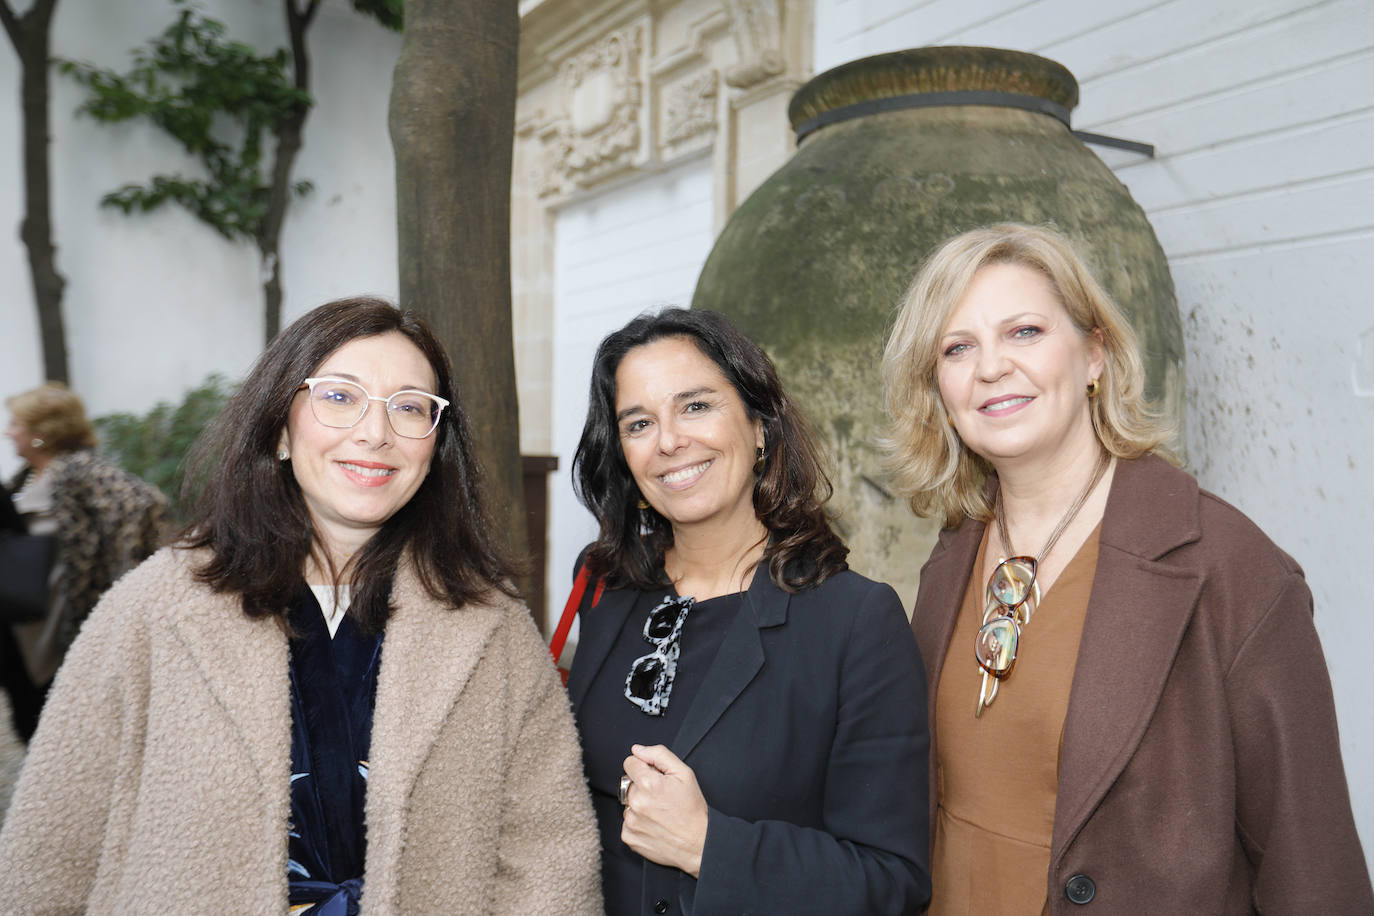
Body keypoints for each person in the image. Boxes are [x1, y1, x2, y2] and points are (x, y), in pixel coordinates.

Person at [0, 298, 602, 913]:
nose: (376, 432)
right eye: (339, 397)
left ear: (435, 445)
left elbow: (547, 852)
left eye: (409, 407)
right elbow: (52, 849)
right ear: (281, 429)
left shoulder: (488, 623)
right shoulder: (155, 610)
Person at [880, 223, 1373, 914]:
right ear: (939, 386)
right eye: (958, 347)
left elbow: (1312, 868)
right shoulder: (954, 551)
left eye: (1024, 332)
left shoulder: (1232, 570)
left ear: (1094, 354)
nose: (991, 367)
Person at [566, 307, 931, 915]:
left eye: (696, 406)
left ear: (760, 426)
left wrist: (711, 848)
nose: (669, 441)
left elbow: (893, 882)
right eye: (638, 423)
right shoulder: (607, 592)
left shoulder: (856, 622)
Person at [2, 382, 167, 742]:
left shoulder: (78, 471)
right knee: (31, 722)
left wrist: (117, 578)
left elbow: (142, 503)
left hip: (59, 626)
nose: (7, 431)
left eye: (16, 423)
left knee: (60, 731)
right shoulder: (25, 479)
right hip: (25, 627)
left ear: (41, 432)